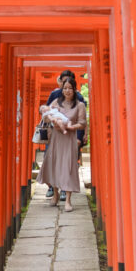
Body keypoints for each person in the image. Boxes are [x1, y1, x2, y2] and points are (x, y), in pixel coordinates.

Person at [37, 77, 86, 212]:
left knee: (68, 168)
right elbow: (45, 115)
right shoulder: (56, 102)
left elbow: (82, 123)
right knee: (52, 166)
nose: (67, 91)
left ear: (75, 89)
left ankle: (68, 200)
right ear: (62, 89)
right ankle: (56, 194)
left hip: (69, 139)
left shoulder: (79, 105)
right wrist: (51, 117)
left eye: (70, 88)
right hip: (56, 139)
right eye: (65, 88)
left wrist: (71, 127)